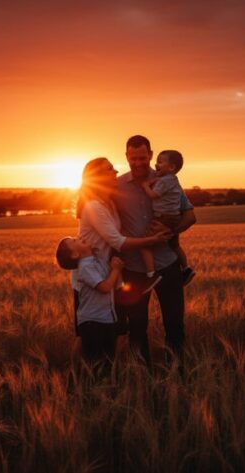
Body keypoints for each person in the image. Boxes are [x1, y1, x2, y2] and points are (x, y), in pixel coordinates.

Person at [58, 157, 172, 370]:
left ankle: (96, 377)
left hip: (106, 274)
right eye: (109, 169)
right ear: (98, 178)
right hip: (92, 278)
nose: (115, 171)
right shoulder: (94, 207)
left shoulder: (108, 203)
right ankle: (77, 380)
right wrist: (153, 241)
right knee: (89, 335)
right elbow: (118, 241)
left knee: (107, 332)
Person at [114, 135, 197, 367]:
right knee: (137, 327)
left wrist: (172, 231)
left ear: (150, 155)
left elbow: (191, 216)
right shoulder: (117, 186)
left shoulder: (168, 180)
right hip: (133, 269)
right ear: (126, 157)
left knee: (174, 324)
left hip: (167, 265)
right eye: (133, 158)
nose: (138, 163)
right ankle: (143, 379)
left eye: (142, 157)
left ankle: (178, 376)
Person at [55, 237, 125, 371]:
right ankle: (90, 389)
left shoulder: (97, 260)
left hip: (107, 319)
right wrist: (116, 270)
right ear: (75, 254)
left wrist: (115, 269)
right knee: (94, 364)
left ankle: (104, 388)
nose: (79, 238)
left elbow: (112, 282)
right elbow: (104, 288)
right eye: (75, 241)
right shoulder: (85, 268)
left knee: (108, 363)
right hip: (93, 323)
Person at [138, 149, 195, 286]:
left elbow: (153, 195)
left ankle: (151, 275)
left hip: (163, 219)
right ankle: (186, 268)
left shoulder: (163, 182)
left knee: (144, 244)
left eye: (160, 162)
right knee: (174, 245)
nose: (156, 164)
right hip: (173, 218)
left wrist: (145, 186)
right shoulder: (174, 180)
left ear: (171, 167)